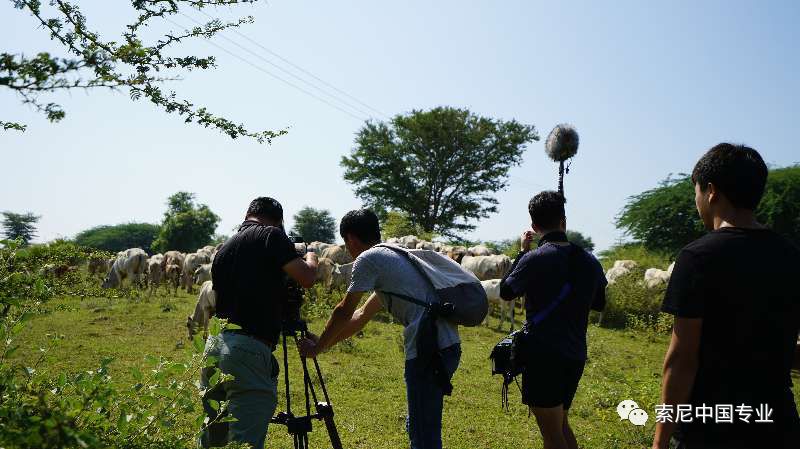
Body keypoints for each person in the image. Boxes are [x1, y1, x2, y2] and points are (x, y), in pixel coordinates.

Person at [652, 144, 800, 449]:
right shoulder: (791, 256)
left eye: (695, 191)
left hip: (710, 428)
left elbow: (682, 359)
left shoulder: (697, 257)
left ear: (711, 192)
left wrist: (659, 441)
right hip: (778, 425)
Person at [297, 209, 461, 449]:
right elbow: (361, 315)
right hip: (447, 346)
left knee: (423, 434)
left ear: (351, 239)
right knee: (419, 423)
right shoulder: (392, 257)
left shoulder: (369, 259)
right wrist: (324, 342)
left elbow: (343, 310)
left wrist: (317, 348)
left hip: (428, 351)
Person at [199, 197, 319, 449]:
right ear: (279, 221)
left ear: (247, 214)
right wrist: (311, 257)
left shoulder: (224, 249)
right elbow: (307, 278)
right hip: (248, 349)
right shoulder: (271, 235)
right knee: (245, 441)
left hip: (215, 346)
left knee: (213, 437)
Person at [499, 191, 606, 449]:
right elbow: (599, 303)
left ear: (534, 227)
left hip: (543, 356)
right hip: (575, 354)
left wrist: (522, 253)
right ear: (564, 221)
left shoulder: (534, 258)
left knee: (552, 434)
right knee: (561, 425)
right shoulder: (590, 261)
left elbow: (506, 291)